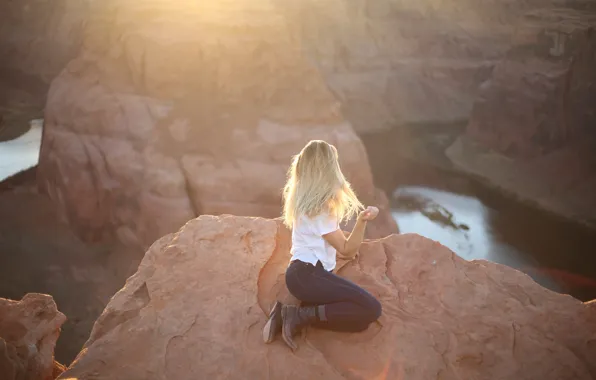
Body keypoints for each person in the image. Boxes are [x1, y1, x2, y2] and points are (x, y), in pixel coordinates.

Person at [262, 140, 382, 350]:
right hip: (307, 275)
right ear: (328, 169)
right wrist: (362, 221)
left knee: (358, 323)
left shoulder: (304, 202)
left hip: (304, 276)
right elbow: (347, 250)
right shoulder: (320, 209)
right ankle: (296, 315)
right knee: (371, 309)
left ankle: (292, 315)